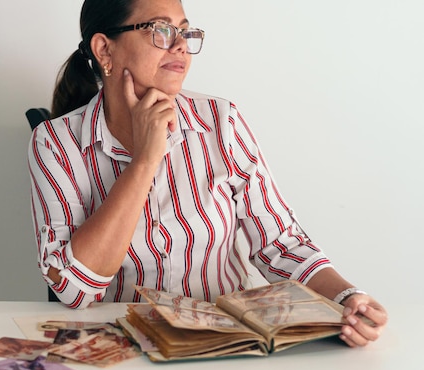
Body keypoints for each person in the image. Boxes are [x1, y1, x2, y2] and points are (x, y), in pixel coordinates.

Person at [27, 0, 387, 347]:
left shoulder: (222, 122)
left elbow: (280, 242)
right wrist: (144, 160)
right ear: (104, 49)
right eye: (161, 30)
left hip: (223, 347)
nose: (182, 46)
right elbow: (75, 289)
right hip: (120, 348)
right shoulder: (56, 143)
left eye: (185, 32)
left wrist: (348, 298)